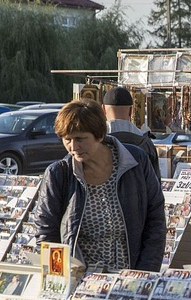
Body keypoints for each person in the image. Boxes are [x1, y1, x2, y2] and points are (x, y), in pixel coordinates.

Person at [34, 99, 166, 272]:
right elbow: (46, 232)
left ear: (100, 135)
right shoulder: (58, 174)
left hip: (129, 277)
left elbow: (155, 218)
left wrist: (145, 272)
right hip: (79, 281)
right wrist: (58, 278)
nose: (73, 146)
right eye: (67, 139)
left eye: (80, 139)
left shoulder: (136, 161)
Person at [102, 86, 161, 179]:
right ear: (131, 111)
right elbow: (155, 183)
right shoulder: (145, 143)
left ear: (103, 110)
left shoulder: (94, 141)